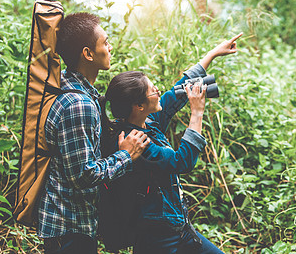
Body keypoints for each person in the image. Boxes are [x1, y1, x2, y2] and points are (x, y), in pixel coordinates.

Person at [100, 33, 243, 253]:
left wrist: (213, 53)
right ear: (138, 105)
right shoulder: (136, 142)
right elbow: (181, 162)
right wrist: (197, 112)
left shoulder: (149, 121)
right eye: (152, 90)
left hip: (179, 226)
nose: (158, 91)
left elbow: (176, 92)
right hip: (156, 235)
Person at [37, 12, 150, 254]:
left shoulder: (70, 85)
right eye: (105, 42)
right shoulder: (79, 105)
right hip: (68, 228)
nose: (110, 48)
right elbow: (83, 175)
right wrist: (125, 156)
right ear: (88, 53)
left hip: (72, 225)